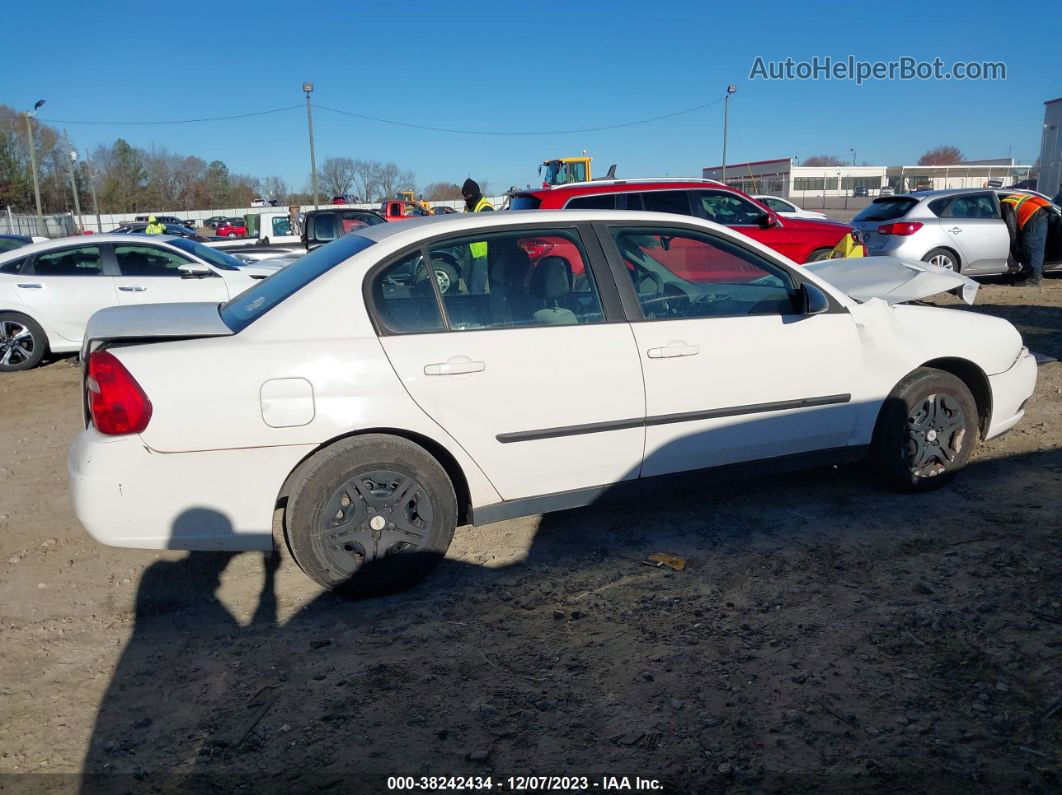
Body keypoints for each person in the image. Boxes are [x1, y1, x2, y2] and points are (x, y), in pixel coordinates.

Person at [999, 193, 1053, 286]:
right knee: (1034, 246)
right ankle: (1030, 274)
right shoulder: (1013, 198)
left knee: (1032, 246)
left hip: (1033, 213)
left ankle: (1034, 279)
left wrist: (1014, 242)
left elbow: (1011, 225)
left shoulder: (1005, 204)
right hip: (1043, 208)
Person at [462, 179, 493, 293]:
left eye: (468, 194)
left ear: (474, 193)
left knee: (477, 286)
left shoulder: (485, 208)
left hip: (482, 255)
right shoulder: (468, 207)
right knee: (468, 280)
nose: (466, 198)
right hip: (470, 252)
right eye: (464, 195)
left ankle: (479, 308)